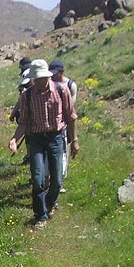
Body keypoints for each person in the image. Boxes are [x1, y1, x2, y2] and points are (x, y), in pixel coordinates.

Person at [8, 59, 79, 230]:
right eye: (35, 79)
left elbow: (71, 116)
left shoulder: (61, 90)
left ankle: (49, 202)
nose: (38, 82)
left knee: (57, 180)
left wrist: (74, 140)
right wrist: (15, 140)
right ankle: (40, 215)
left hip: (56, 137)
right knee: (38, 178)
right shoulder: (27, 95)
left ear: (47, 76)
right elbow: (23, 122)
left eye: (40, 78)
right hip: (37, 139)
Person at [50, 59, 78, 192]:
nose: (52, 76)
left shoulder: (71, 86)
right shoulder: (50, 85)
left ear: (61, 72)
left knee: (63, 152)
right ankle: (52, 180)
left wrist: (74, 137)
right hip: (53, 125)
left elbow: (70, 108)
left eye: (55, 74)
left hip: (65, 124)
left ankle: (59, 181)